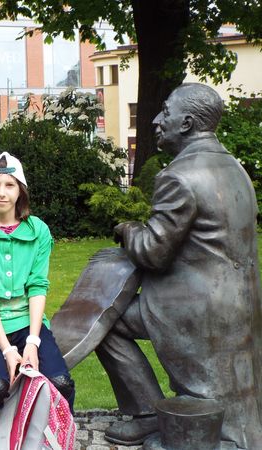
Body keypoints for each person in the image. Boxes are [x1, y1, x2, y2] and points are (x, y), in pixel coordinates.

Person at [97, 83, 262, 448]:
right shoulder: (235, 168)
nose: (156, 120)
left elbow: (152, 253)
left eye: (166, 112)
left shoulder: (178, 175)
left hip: (193, 306)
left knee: (106, 326)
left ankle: (147, 416)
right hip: (242, 301)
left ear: (186, 124)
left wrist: (128, 230)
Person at [0, 152, 75, 450]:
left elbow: (37, 286)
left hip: (28, 323)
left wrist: (32, 342)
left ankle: (53, 439)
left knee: (60, 383)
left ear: (20, 189)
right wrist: (8, 349)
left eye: (9, 185)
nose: (2, 192)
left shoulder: (38, 231)